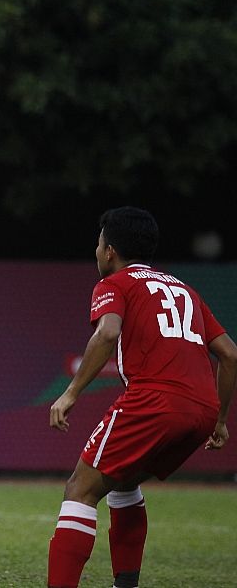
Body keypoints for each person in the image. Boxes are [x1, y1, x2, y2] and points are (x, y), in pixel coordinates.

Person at [46, 207, 237, 588]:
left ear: (110, 251)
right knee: (124, 483)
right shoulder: (184, 289)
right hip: (201, 411)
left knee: (79, 489)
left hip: (154, 401)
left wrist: (70, 393)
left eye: (99, 243)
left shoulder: (115, 283)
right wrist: (219, 419)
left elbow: (107, 333)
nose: (96, 250)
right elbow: (230, 354)